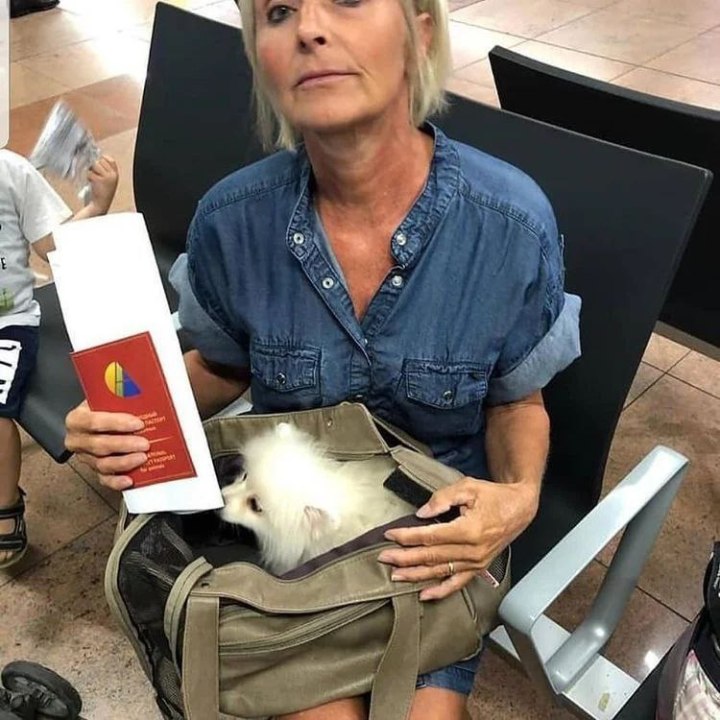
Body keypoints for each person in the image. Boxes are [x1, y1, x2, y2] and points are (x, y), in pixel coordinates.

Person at [64, 0, 581, 717]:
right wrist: (129, 416)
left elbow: (516, 399)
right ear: (262, 59)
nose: (309, 28)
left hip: (431, 537)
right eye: (278, 11)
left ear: (419, 31)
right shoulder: (232, 222)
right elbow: (223, 366)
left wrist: (519, 497)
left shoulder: (509, 225)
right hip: (294, 549)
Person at [0, 150, 118, 569]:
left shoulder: (10, 172)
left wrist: (97, 205)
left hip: (8, 321)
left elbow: (53, 246)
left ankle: (5, 504)